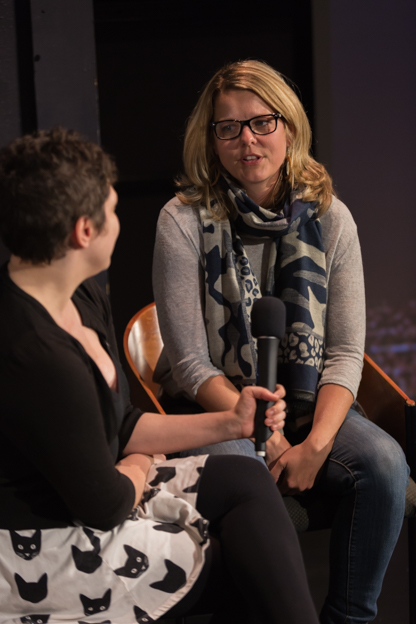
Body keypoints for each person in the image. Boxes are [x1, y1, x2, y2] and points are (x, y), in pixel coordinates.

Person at [0, 127, 320, 624]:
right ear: (83, 231)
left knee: (243, 477)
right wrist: (139, 463)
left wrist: (234, 422)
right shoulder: (35, 354)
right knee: (238, 561)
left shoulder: (80, 294)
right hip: (43, 545)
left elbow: (122, 424)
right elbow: (105, 505)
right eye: (111, 211)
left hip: (105, 490)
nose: (117, 223)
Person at [152, 60, 409, 624]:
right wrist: (262, 434)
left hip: (305, 400)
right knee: (245, 475)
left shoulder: (331, 218)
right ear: (211, 139)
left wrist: (315, 444)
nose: (247, 139)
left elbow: (345, 353)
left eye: (261, 122)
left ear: (288, 127)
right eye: (229, 127)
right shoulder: (182, 220)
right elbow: (190, 363)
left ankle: (350, 618)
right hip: (216, 405)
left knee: (385, 462)